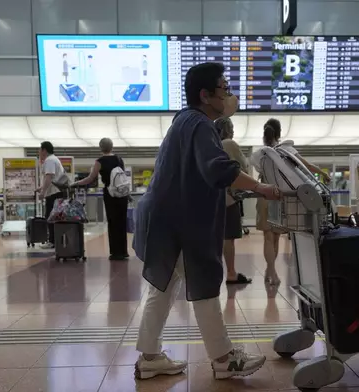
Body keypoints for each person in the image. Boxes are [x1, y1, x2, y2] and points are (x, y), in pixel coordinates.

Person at [132, 62, 280, 381]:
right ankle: (224, 358)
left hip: (162, 218)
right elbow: (217, 168)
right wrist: (261, 187)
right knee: (204, 281)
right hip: (179, 222)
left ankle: (149, 357)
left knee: (165, 286)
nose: (229, 95)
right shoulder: (199, 123)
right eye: (224, 89)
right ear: (205, 95)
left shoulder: (184, 121)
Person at [251, 118, 331, 285]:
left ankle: (270, 269)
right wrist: (323, 174)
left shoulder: (261, 154)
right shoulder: (286, 150)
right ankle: (271, 270)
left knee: (267, 236)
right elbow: (305, 166)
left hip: (264, 196)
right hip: (281, 197)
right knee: (276, 236)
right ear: (279, 133)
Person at [72, 138, 129, 261]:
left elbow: (90, 178)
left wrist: (76, 183)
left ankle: (115, 253)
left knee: (113, 223)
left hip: (110, 194)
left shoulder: (100, 161)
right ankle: (123, 251)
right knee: (121, 223)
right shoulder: (119, 159)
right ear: (112, 146)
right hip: (122, 195)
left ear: (100, 147)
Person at [216, 117, 252, 285]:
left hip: (212, 199)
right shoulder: (229, 144)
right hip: (228, 199)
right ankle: (231, 273)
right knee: (228, 237)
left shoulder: (211, 145)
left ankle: (216, 273)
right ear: (229, 130)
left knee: (216, 237)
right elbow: (242, 169)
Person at [36, 141, 65, 249]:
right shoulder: (54, 159)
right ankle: (54, 240)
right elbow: (51, 179)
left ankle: (52, 241)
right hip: (56, 192)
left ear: (44, 150)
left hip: (54, 194)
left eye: (40, 149)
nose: (39, 152)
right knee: (54, 216)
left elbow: (49, 177)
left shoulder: (49, 160)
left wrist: (43, 192)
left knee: (51, 216)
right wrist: (41, 188)